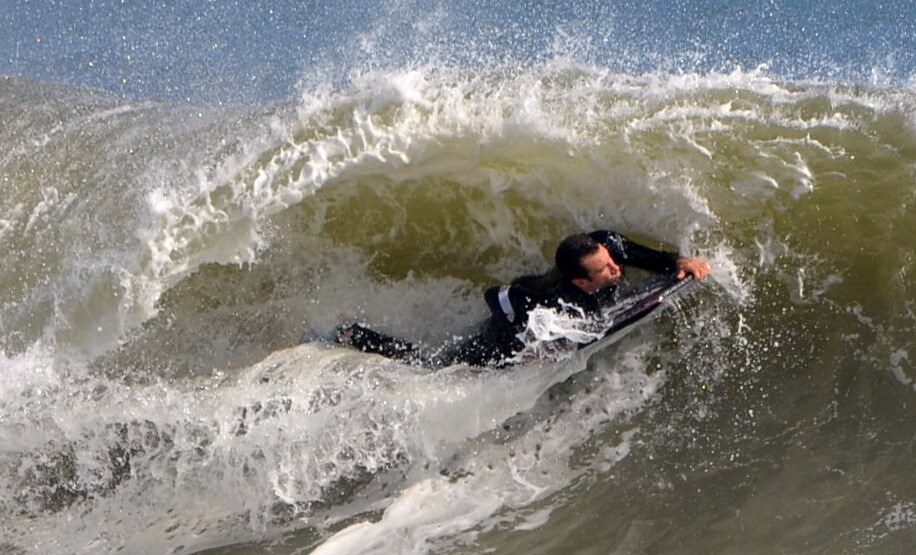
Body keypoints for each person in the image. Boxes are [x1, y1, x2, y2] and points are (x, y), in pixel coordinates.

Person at [335, 229, 711, 368]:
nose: (616, 268)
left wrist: (679, 263)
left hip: (538, 302)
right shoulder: (562, 299)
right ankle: (354, 336)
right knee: (431, 364)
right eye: (606, 268)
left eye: (612, 261)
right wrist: (532, 340)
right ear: (582, 282)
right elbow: (496, 294)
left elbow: (639, 254)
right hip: (502, 340)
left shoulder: (605, 245)